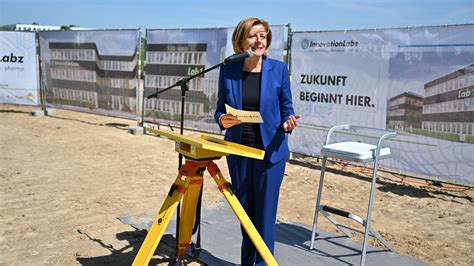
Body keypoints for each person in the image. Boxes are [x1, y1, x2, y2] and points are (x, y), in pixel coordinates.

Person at [214, 17, 300, 266]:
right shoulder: (228, 70)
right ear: (241, 41)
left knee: (264, 216)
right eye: (253, 35)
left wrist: (288, 122)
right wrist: (223, 119)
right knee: (246, 216)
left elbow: (287, 109)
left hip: (270, 154)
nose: (259, 40)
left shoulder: (279, 70)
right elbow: (219, 109)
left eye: (263, 35)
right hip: (239, 152)